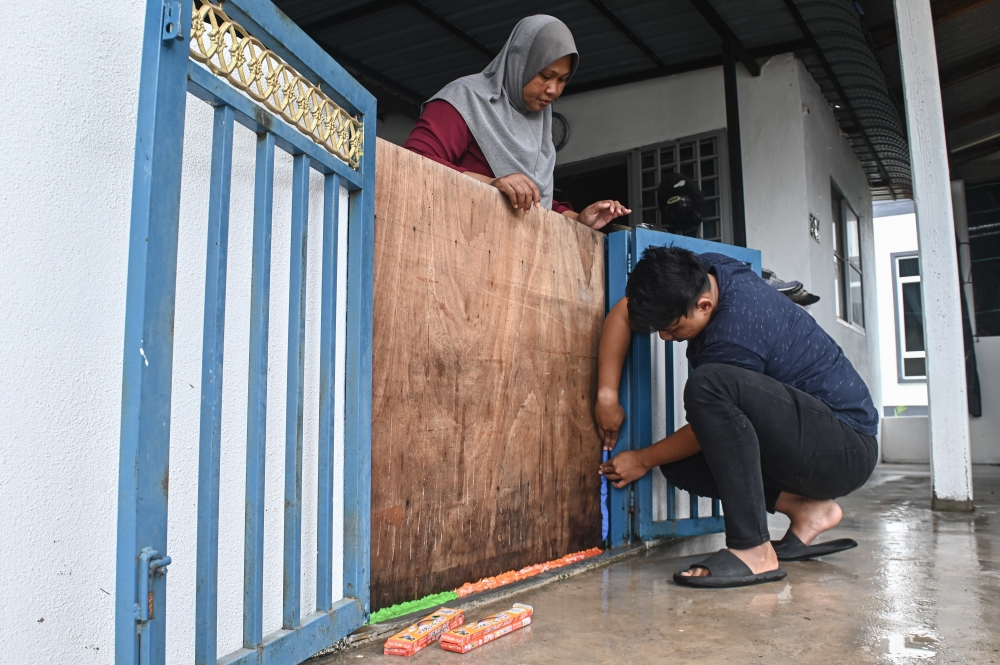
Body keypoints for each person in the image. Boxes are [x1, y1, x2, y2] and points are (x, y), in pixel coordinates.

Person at [595, 246, 878, 588]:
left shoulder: (735, 334)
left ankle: (753, 551)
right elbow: (627, 310)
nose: (665, 338)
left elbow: (710, 423)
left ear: (703, 306)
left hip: (844, 448)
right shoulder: (706, 270)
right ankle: (807, 510)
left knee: (709, 385)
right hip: (807, 438)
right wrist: (607, 395)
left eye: (670, 328)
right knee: (680, 463)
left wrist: (642, 459)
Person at [404, 15, 630, 230]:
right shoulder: (466, 99)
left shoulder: (538, 124)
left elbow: (536, 202)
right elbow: (412, 162)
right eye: (545, 76)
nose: (553, 90)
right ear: (519, 63)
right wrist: (490, 184)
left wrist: (578, 219)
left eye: (562, 80)